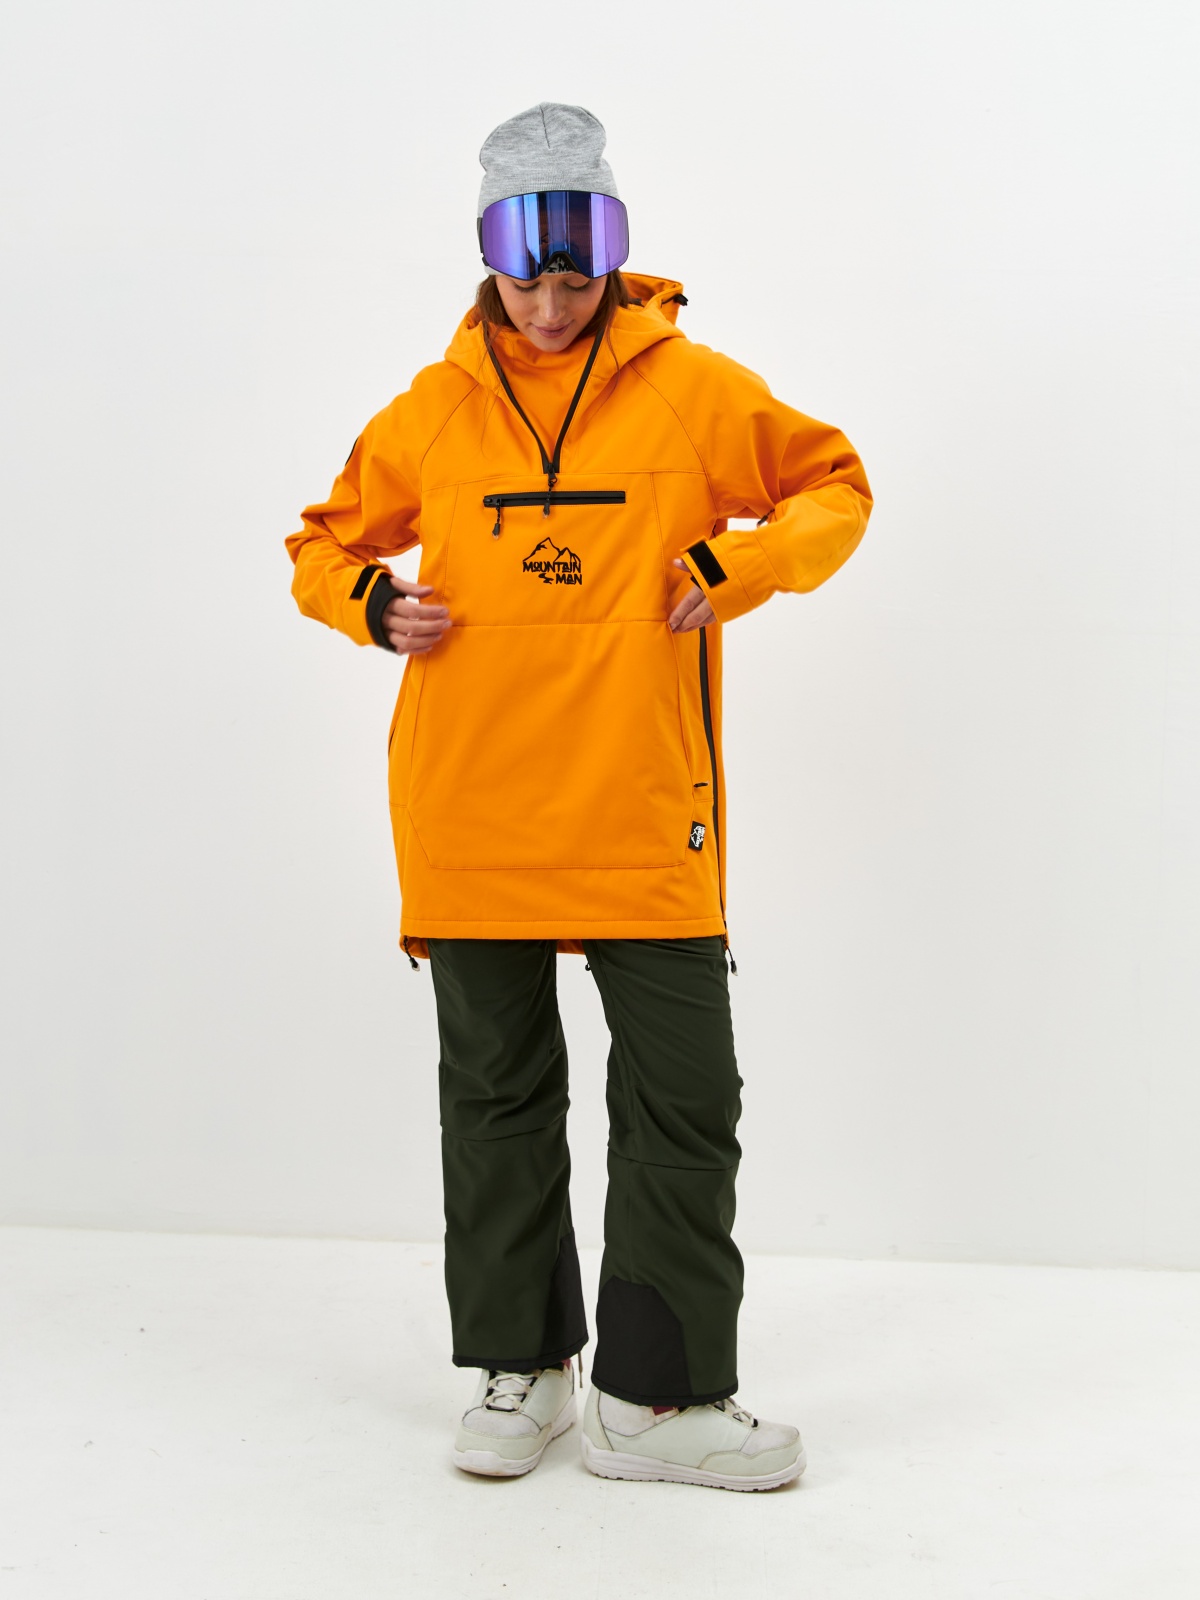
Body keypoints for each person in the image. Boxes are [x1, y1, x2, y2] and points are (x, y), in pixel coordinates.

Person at [286, 102, 872, 1492]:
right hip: (472, 810)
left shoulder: (694, 391)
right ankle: (523, 1371)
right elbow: (321, 543)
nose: (551, 304)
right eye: (525, 272)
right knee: (496, 1103)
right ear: (487, 257)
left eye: (577, 269)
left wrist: (742, 568)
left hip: (643, 813)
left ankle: (654, 1401)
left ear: (612, 250)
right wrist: (372, 603)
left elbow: (833, 485)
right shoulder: (430, 414)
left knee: (685, 1104)